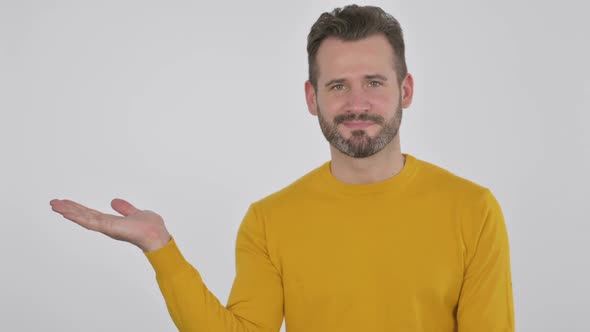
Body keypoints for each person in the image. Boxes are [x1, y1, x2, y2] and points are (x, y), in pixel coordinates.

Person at [50, 4, 515, 331]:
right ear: (312, 98)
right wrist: (160, 249)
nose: (357, 103)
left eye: (374, 82)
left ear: (406, 90)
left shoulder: (472, 210)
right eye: (337, 86)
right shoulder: (269, 220)